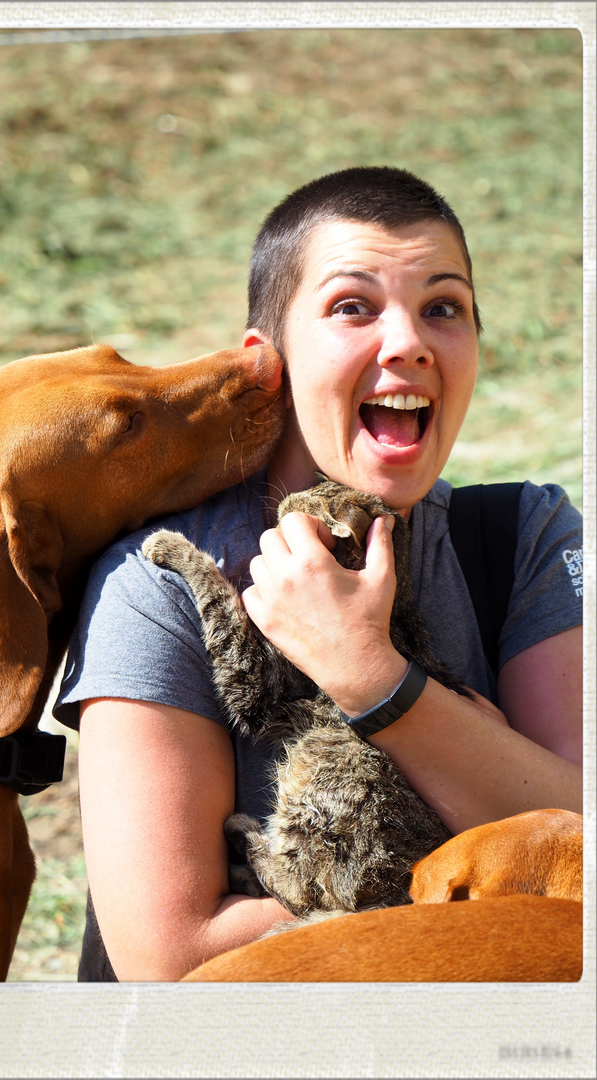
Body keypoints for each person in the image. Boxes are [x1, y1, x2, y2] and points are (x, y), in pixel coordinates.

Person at [53, 166, 583, 982]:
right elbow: (166, 958)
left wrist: (370, 674)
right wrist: (474, 846)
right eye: (352, 307)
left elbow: (581, 842)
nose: (408, 340)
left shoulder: (521, 535)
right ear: (269, 365)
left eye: (444, 308)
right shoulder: (160, 581)